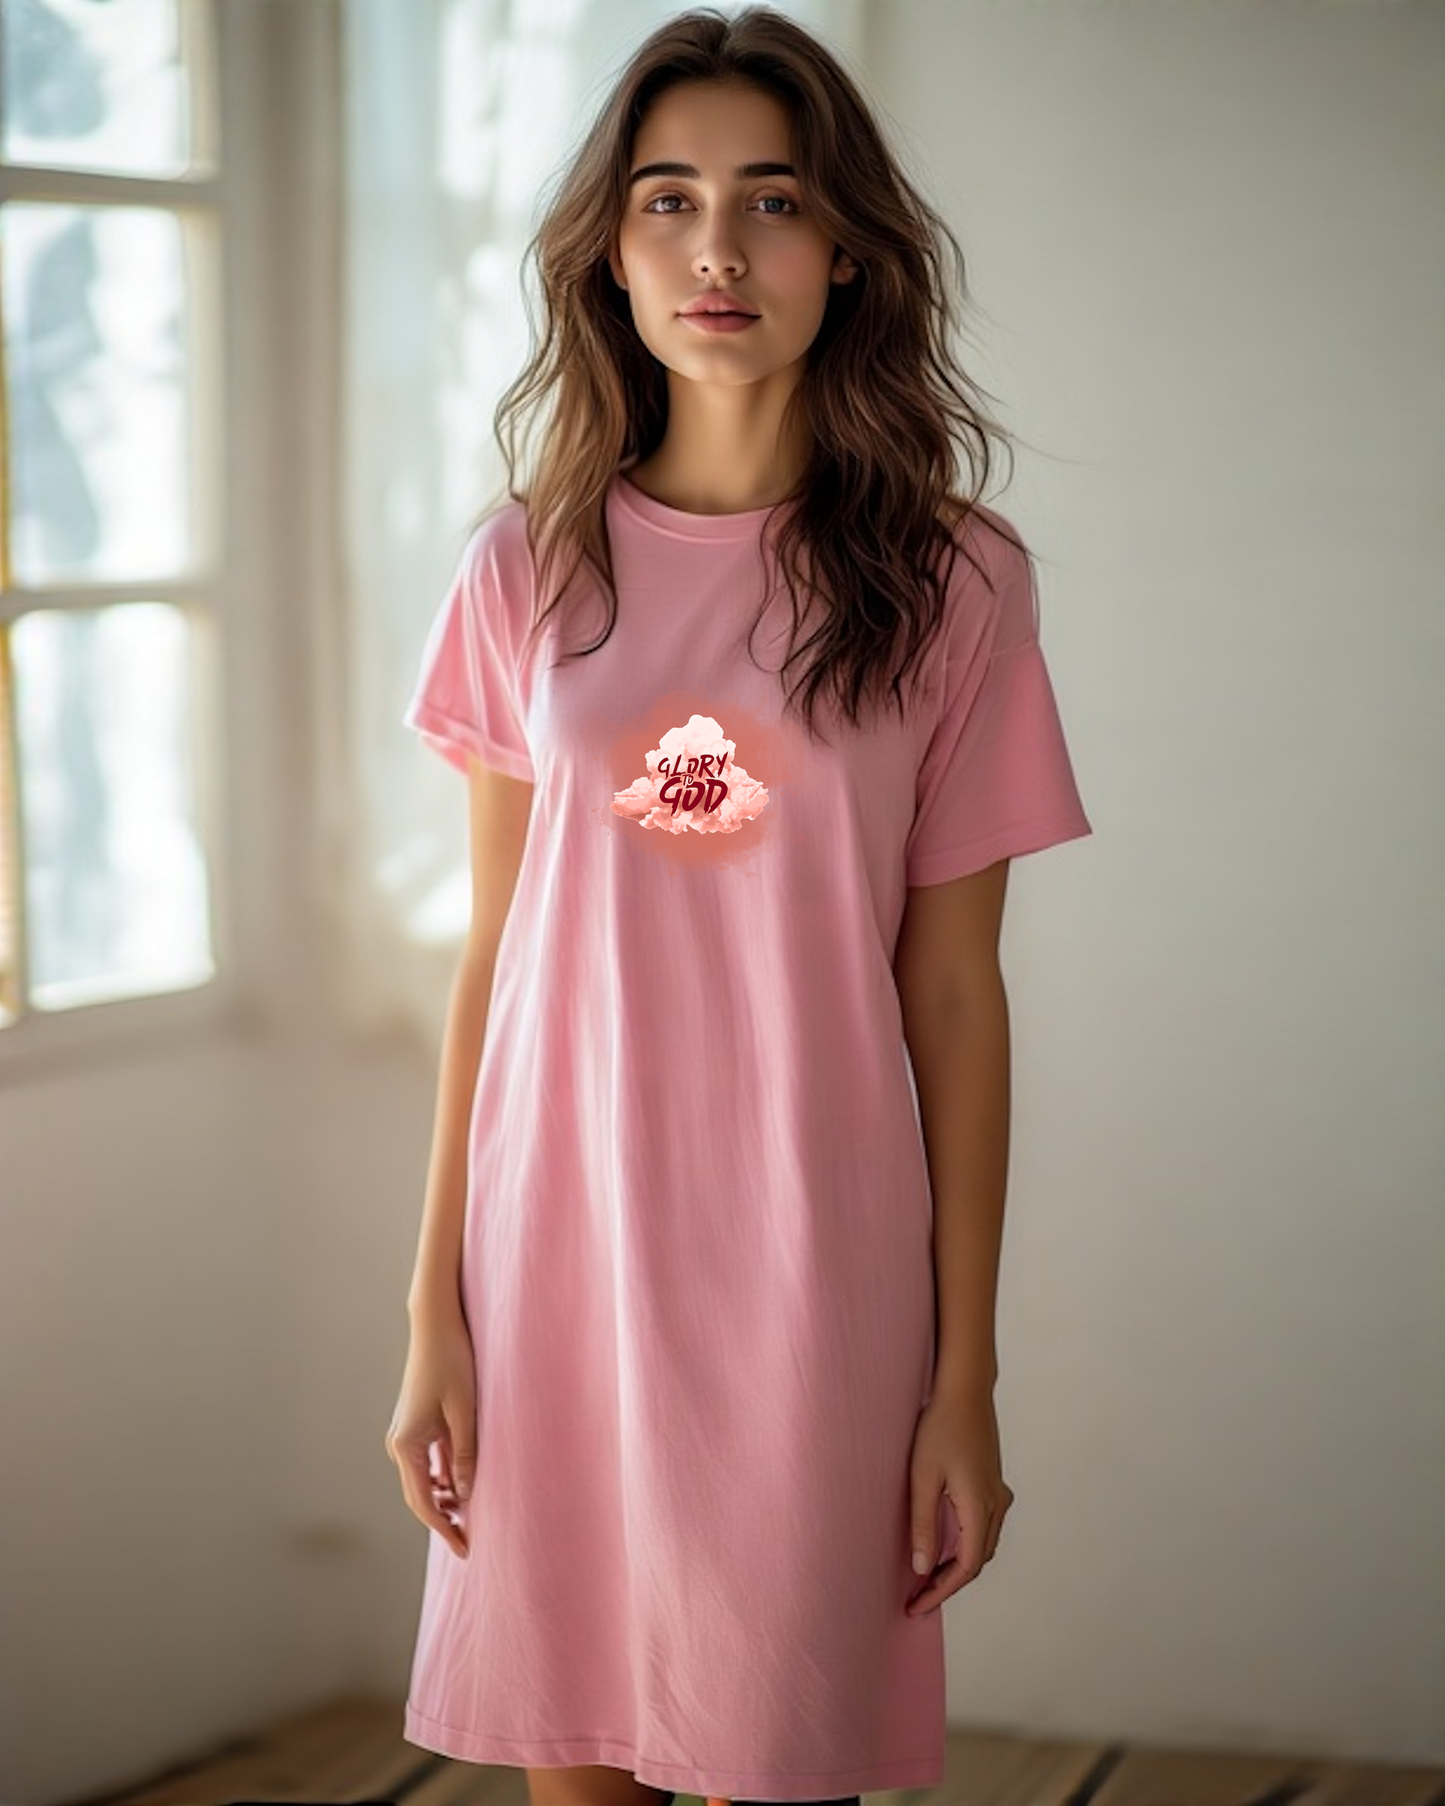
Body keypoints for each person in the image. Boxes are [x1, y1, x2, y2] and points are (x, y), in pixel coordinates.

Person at [384, 9, 1091, 1806]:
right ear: (609, 255)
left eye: (770, 201)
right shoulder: (524, 567)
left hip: (813, 1262)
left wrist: (964, 1377)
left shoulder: (954, 583)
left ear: (844, 249)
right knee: (575, 1755)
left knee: (786, 1758)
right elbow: (498, 950)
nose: (717, 249)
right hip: (560, 1252)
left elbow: (955, 999)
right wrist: (432, 1316)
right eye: (667, 199)